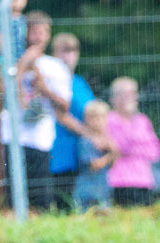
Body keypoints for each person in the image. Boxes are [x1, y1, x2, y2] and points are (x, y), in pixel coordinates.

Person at [1, 10, 71, 209]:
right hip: (13, 136)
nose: (39, 37)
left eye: (43, 32)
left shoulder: (56, 66)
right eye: (34, 32)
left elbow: (64, 105)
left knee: (40, 196)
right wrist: (24, 63)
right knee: (12, 195)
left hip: (40, 138)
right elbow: (4, 92)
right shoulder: (11, 62)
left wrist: (44, 89)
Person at [49, 33, 95, 211]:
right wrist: (90, 134)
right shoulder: (51, 81)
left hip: (79, 155)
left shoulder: (80, 83)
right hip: (57, 153)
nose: (68, 56)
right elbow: (61, 115)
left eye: (73, 50)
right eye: (63, 51)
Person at [105, 77, 160, 207]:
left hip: (144, 181)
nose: (130, 97)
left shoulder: (143, 120)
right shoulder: (109, 120)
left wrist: (132, 150)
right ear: (114, 98)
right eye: (125, 94)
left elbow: (156, 151)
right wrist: (139, 145)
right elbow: (121, 147)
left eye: (133, 93)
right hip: (119, 181)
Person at [75, 100, 114, 211]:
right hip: (87, 190)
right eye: (94, 118)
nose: (98, 122)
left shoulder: (107, 140)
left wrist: (111, 147)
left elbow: (115, 160)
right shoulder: (85, 141)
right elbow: (95, 165)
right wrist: (111, 155)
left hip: (103, 188)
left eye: (102, 118)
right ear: (86, 119)